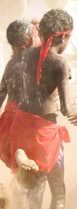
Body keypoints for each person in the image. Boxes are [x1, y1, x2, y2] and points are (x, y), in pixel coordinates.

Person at [9, 9, 77, 209]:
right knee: (57, 189)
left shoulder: (27, 54)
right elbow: (65, 108)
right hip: (44, 129)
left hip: (21, 123)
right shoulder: (60, 63)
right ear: (63, 38)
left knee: (33, 186)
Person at [0, 20, 39, 169]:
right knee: (39, 170)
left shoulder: (11, 64)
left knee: (20, 170)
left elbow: (1, 93)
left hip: (9, 121)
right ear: (33, 39)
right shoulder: (39, 63)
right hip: (29, 120)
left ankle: (17, 186)